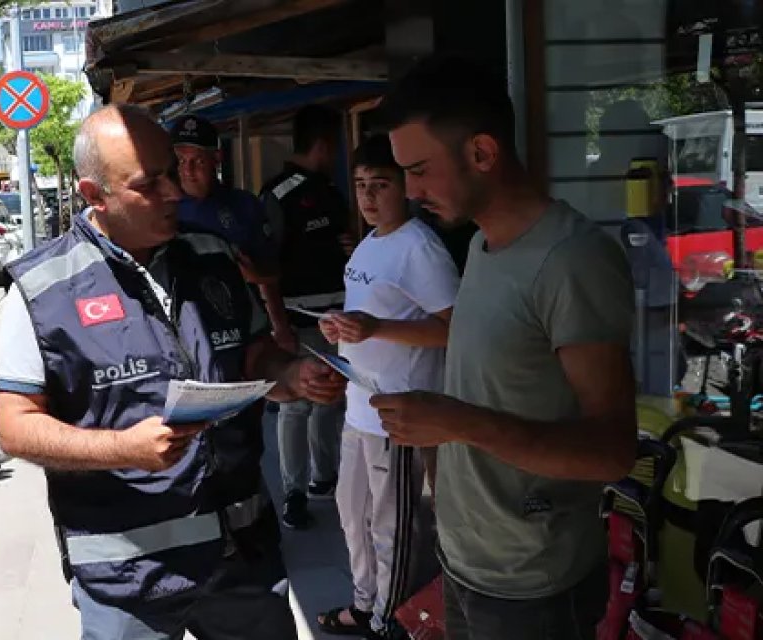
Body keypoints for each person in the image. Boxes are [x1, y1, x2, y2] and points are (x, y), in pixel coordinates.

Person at [0, 104, 346, 639]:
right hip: (128, 578)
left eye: (172, 173)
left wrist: (291, 375)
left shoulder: (213, 257)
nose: (174, 194)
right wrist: (124, 449)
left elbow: (252, 356)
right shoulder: (43, 288)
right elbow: (15, 425)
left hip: (244, 560)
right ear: (95, 195)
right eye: (148, 183)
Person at [374, 55, 637, 639]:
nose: (409, 192)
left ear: (482, 153)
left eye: (419, 170)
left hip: (534, 589)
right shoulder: (481, 248)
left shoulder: (571, 259)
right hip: (468, 566)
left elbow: (613, 452)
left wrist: (458, 421)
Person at [314, 134, 456, 638]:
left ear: (406, 187)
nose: (369, 197)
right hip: (359, 404)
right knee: (351, 514)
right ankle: (364, 602)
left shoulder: (421, 247)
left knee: (392, 527)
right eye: (359, 186)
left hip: (398, 412)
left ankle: (387, 620)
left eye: (380, 185)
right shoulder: (372, 242)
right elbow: (370, 317)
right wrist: (343, 328)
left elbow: (455, 328)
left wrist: (376, 330)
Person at [259, 104, 354, 529]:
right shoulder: (278, 195)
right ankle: (293, 493)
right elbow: (266, 268)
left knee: (330, 400)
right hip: (299, 319)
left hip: (341, 317)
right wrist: (277, 323)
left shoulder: (331, 190)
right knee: (296, 405)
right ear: (323, 145)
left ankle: (324, 479)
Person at [168, 114, 279, 285]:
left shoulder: (245, 205)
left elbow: (275, 270)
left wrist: (255, 277)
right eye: (181, 161)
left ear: (217, 159)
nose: (188, 170)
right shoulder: (163, 209)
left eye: (198, 161)